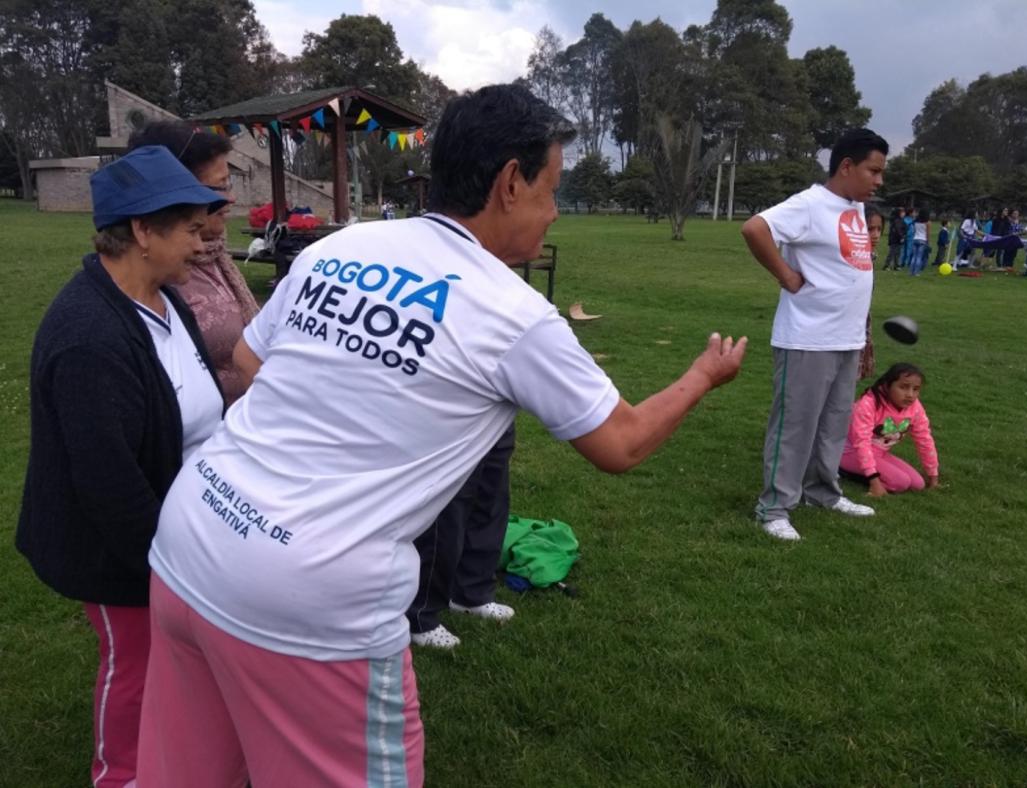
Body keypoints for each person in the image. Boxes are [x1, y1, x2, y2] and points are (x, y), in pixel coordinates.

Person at [135, 84, 747, 786]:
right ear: (510, 183)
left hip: (190, 535)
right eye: (552, 190)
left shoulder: (346, 245)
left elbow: (248, 360)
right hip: (308, 597)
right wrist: (702, 376)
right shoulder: (515, 312)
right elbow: (623, 443)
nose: (552, 214)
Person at [15, 146, 227, 788]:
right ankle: (122, 775)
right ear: (141, 230)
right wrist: (169, 564)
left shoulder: (167, 302)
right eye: (191, 229)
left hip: (178, 532)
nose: (205, 244)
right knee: (135, 662)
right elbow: (107, 484)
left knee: (177, 663)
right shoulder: (89, 338)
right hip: (118, 551)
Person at [742, 127, 888, 541]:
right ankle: (774, 508)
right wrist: (787, 276)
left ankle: (822, 491)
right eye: (873, 171)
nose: (879, 180)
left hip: (846, 339)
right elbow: (755, 229)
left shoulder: (855, 209)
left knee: (833, 424)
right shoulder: (809, 204)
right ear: (846, 166)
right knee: (795, 426)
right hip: (807, 338)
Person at [128, 121, 259, 405]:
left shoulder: (216, 255)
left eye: (230, 184)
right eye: (219, 187)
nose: (231, 197)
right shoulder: (156, 273)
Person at [408, 425, 516, 649]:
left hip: (497, 407)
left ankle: (472, 594)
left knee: (491, 496)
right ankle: (420, 615)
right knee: (449, 510)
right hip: (456, 415)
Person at [839, 363, 939, 495]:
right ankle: (845, 472)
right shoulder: (869, 404)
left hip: (879, 454)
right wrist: (874, 482)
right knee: (901, 483)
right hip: (850, 453)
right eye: (903, 387)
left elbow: (924, 439)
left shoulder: (915, 407)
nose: (910, 394)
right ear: (887, 385)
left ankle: (875, 475)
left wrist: (933, 475)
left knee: (917, 484)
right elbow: (861, 443)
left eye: (916, 389)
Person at [858, 207, 883, 380]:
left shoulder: (869, 258)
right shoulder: (852, 259)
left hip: (860, 323)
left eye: (879, 229)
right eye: (869, 229)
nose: (875, 235)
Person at [909, 207, 931, 276]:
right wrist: (928, 242)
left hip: (915, 238)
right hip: (923, 240)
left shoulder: (916, 221)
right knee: (919, 257)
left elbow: (915, 231)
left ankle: (911, 272)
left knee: (914, 256)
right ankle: (916, 272)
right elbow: (928, 233)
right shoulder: (928, 223)